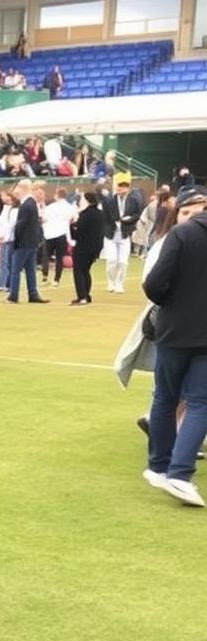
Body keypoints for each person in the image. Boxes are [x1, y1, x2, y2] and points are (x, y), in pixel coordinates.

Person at [142, 185, 207, 507]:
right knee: (199, 402)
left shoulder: (182, 234)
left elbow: (154, 284)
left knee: (166, 397)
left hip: (173, 328)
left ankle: (160, 467)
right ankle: (178, 473)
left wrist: (171, 302)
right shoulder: (183, 234)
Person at [6, 179, 49, 305]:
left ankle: (13, 296)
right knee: (30, 270)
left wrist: (16, 240)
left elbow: (21, 225)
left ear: (22, 188)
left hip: (23, 243)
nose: (16, 192)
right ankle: (33, 294)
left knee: (16, 270)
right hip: (31, 242)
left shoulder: (26, 204)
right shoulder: (32, 203)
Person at [104, 179, 140, 293]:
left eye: (124, 188)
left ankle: (119, 283)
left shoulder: (133, 201)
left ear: (128, 189)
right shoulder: (109, 201)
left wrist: (129, 219)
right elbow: (104, 217)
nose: (121, 190)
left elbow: (137, 215)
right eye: (119, 188)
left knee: (123, 262)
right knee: (112, 260)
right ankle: (111, 282)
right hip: (111, 234)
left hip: (125, 234)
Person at [71, 191, 106, 306]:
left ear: (87, 201)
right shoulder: (100, 214)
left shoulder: (85, 215)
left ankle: (82, 296)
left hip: (83, 247)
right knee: (86, 270)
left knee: (78, 271)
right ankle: (86, 295)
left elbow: (78, 234)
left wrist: (71, 227)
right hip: (95, 247)